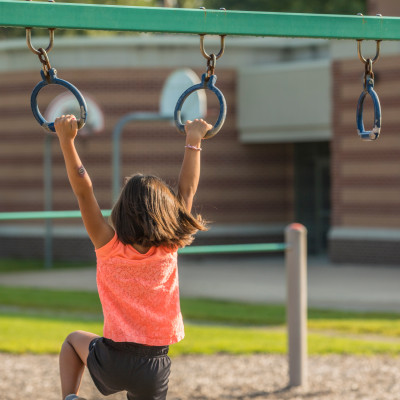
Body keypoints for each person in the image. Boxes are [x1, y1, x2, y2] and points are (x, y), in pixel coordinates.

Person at [54, 114, 210, 400]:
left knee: (72, 342)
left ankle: (70, 398)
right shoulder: (169, 245)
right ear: (165, 214)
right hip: (154, 366)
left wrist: (66, 141)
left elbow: (83, 190)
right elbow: (187, 189)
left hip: (111, 359)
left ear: (121, 211)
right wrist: (194, 140)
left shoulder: (107, 244)